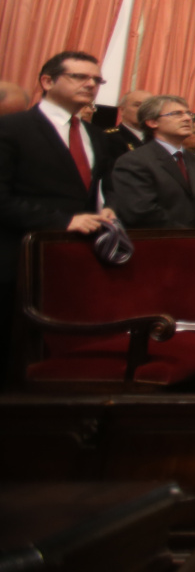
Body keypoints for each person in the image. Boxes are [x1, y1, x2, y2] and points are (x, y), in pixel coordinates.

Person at [0, 51, 119, 372]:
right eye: (80, 77)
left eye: (97, 80)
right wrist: (63, 221)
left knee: (62, 349)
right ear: (47, 81)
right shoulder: (12, 128)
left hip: (77, 257)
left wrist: (108, 208)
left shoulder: (95, 135)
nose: (91, 84)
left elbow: (103, 186)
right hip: (19, 254)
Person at [109, 95, 195, 229]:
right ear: (152, 122)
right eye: (176, 114)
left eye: (188, 113)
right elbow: (141, 212)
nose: (188, 118)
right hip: (158, 241)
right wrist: (188, 237)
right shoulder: (134, 161)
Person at [103, 88, 152, 155]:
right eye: (137, 105)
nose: (143, 110)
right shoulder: (107, 137)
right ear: (122, 110)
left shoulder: (157, 139)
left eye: (147, 106)